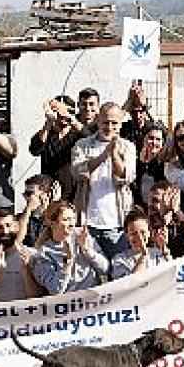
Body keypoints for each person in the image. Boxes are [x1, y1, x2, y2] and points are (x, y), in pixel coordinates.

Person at [70, 102, 137, 258]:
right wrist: (103, 155)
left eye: (114, 123)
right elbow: (78, 172)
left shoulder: (128, 147)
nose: (109, 127)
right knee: (89, 275)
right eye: (105, 122)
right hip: (88, 222)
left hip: (117, 223)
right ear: (98, 121)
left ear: (120, 124)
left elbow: (127, 177)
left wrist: (114, 155)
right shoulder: (82, 145)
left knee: (119, 272)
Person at [32, 202, 110, 294]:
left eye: (73, 219)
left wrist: (87, 250)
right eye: (66, 219)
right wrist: (68, 263)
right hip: (69, 303)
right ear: (52, 223)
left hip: (93, 298)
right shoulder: (42, 253)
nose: (71, 224)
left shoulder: (82, 236)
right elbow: (56, 290)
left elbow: (105, 268)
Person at [27, 94, 81, 199]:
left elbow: (93, 140)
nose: (63, 116)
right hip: (48, 192)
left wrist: (71, 118)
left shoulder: (77, 135)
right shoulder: (46, 133)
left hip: (73, 192)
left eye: (68, 112)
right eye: (60, 113)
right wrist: (49, 122)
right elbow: (35, 150)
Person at [110, 209, 170, 279]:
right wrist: (143, 256)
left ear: (149, 233)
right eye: (134, 233)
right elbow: (130, 284)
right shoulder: (119, 260)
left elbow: (171, 274)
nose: (139, 237)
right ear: (127, 236)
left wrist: (164, 249)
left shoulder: (157, 252)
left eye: (143, 232)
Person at [133, 122, 169, 208]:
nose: (154, 142)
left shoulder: (166, 164)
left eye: (158, 139)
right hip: (140, 209)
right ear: (144, 139)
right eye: (151, 138)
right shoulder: (135, 162)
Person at [18, 174, 58, 247]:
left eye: (29, 193)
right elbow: (18, 241)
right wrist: (28, 210)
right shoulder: (24, 217)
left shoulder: (57, 216)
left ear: (46, 195)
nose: (27, 198)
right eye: (25, 194)